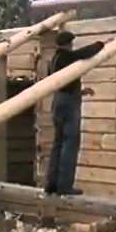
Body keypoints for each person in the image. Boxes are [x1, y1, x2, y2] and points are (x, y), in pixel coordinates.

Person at [44, 31, 104, 196]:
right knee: (70, 144)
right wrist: (101, 44)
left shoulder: (54, 60)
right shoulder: (66, 57)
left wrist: (81, 91)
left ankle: (51, 184)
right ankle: (64, 186)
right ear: (67, 44)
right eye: (70, 44)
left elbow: (65, 86)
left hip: (58, 102)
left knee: (58, 143)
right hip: (68, 104)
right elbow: (84, 53)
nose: (72, 46)